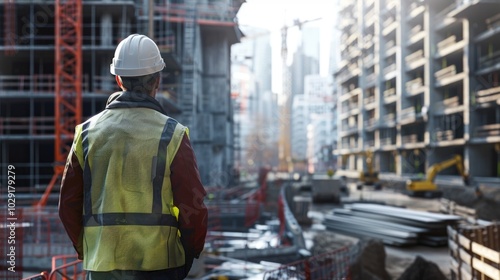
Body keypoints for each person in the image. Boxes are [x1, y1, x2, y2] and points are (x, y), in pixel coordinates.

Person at [59, 34, 208, 280]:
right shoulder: (173, 134)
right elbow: (193, 206)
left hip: (102, 266)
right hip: (162, 265)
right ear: (157, 80)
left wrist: (90, 250)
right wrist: (189, 253)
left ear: (118, 79)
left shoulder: (86, 134)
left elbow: (68, 205)